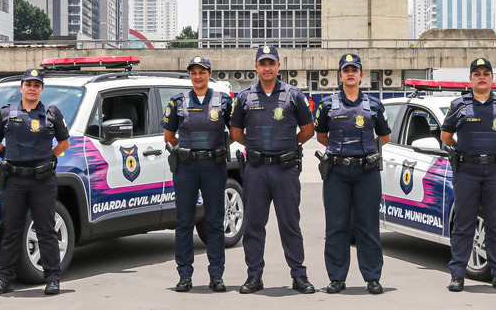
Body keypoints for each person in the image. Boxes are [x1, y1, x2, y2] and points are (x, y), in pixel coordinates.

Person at [230, 45, 315, 294]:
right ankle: (254, 276)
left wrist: (289, 144)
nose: (267, 68)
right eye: (262, 63)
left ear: (279, 65)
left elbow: (308, 130)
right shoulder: (244, 97)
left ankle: (299, 276)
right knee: (254, 225)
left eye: (271, 63)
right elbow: (236, 133)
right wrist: (255, 147)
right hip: (256, 171)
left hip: (285, 170)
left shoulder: (294, 95)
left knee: (290, 225)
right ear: (256, 67)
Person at [440, 58, 496, 293]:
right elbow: (446, 137)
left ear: (492, 78)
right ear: (471, 79)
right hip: (467, 171)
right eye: (477, 74)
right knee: (464, 224)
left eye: (486, 73)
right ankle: (457, 275)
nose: (482, 77)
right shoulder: (459, 106)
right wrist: (466, 152)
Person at [0, 68, 70, 296]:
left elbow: (64, 143)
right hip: (14, 180)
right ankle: (4, 279)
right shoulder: (5, 113)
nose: (32, 88)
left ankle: (52, 279)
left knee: (46, 229)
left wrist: (49, 155)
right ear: (21, 88)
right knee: (11, 230)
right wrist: (9, 155)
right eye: (28, 84)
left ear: (42, 89)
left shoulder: (52, 114)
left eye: (37, 85)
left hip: (42, 180)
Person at [314, 54, 391, 294]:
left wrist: (366, 150)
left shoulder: (374, 105)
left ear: (361, 75)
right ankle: (337, 278)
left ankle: (372, 277)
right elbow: (321, 136)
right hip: (336, 172)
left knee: (368, 226)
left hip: (366, 173)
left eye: (354, 70)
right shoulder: (327, 105)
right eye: (345, 70)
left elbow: (385, 137)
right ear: (339, 75)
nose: (350, 73)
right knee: (336, 226)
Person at [161, 55, 233, 292]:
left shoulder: (223, 101)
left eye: (202, 72)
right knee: (184, 222)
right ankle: (184, 275)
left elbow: (234, 131)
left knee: (214, 221)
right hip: (187, 167)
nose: (198, 76)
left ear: (210, 74)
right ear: (190, 75)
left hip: (214, 166)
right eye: (194, 72)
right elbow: (169, 137)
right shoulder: (178, 101)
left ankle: (216, 275)